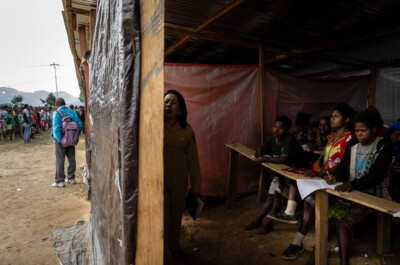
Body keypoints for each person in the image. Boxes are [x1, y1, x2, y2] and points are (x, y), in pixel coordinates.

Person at [281, 103, 356, 261]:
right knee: (305, 195)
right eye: (331, 116)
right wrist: (315, 170)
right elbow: (323, 159)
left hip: (339, 180)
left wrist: (322, 173)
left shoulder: (350, 137)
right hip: (325, 177)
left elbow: (343, 163)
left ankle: (304, 243)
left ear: (347, 119)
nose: (332, 118)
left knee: (319, 206)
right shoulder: (333, 136)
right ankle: (298, 242)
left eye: (336, 116)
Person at [326, 110, 392, 265]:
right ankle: (316, 256)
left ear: (374, 129)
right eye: (356, 131)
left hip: (372, 195)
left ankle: (344, 262)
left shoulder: (383, 146)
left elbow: (376, 176)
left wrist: (352, 184)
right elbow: (343, 168)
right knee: (330, 215)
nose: (359, 134)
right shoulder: (352, 143)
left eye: (363, 130)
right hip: (352, 192)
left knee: (340, 220)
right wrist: (336, 177)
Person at [245, 116, 310, 233]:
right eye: (275, 126)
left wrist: (263, 158)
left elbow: (282, 159)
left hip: (298, 174)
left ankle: (269, 223)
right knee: (272, 194)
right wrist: (259, 151)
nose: (276, 129)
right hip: (283, 172)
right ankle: (259, 219)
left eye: (280, 128)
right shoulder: (272, 138)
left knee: (278, 196)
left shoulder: (289, 139)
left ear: (287, 130)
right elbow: (262, 150)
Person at [163, 90, 201, 260]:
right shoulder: (154, 125)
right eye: (166, 101)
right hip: (158, 181)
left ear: (180, 109)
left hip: (179, 181)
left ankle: (174, 246)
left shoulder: (187, 130)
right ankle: (160, 248)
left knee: (176, 215)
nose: (168, 105)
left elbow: (193, 160)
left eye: (173, 102)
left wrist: (196, 186)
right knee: (161, 216)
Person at [52, 98, 82, 188]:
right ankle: (71, 178)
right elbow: (79, 125)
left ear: (56, 105)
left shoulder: (56, 113)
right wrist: (74, 136)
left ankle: (59, 181)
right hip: (71, 140)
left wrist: (61, 140)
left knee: (60, 160)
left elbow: (56, 128)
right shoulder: (72, 112)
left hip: (60, 141)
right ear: (65, 104)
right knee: (72, 158)